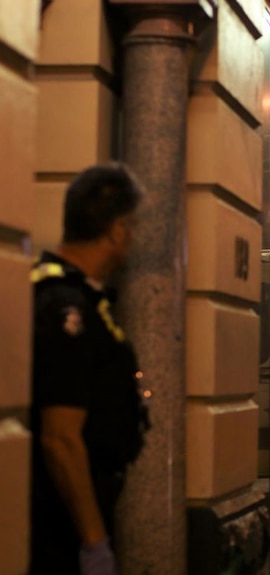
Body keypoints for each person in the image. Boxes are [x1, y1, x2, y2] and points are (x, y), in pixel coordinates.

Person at [29, 163, 150, 575]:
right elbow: (60, 438)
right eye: (133, 225)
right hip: (58, 526)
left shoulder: (80, 297)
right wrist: (94, 541)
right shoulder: (66, 307)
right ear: (117, 230)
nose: (135, 236)